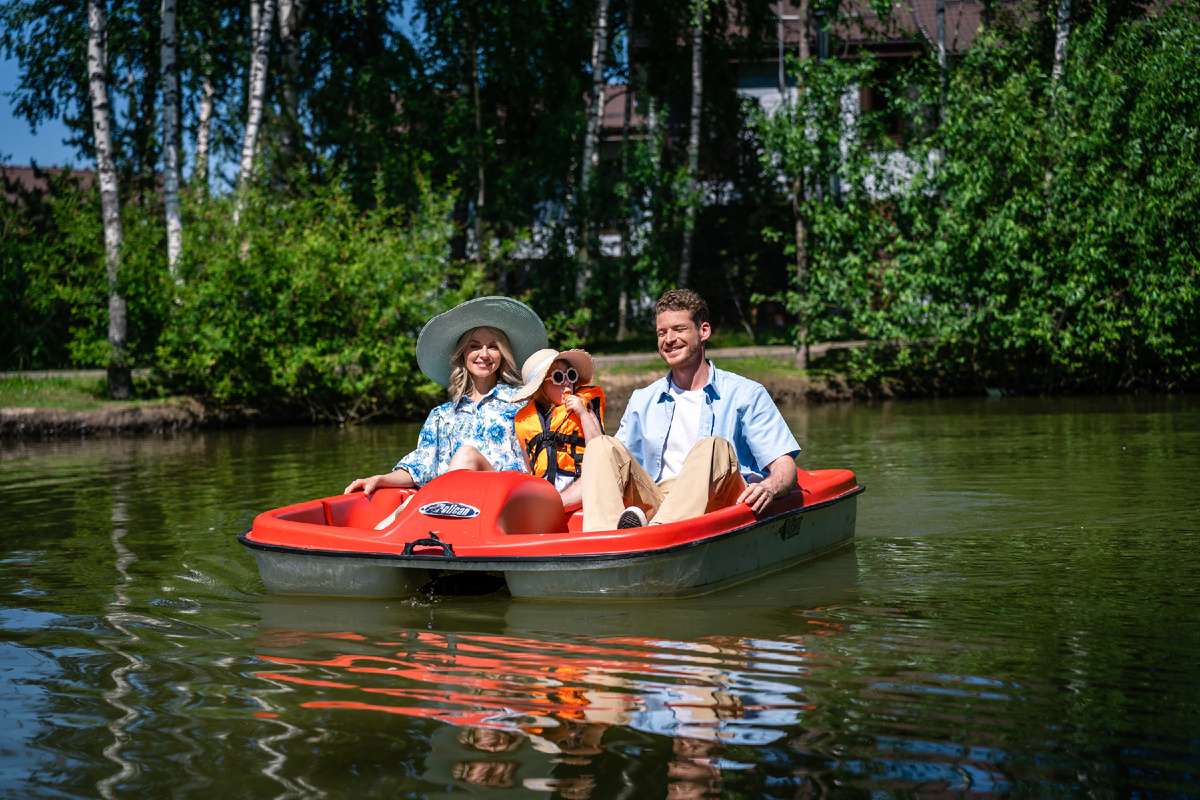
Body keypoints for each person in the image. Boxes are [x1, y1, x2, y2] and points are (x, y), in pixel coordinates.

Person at [580, 289, 799, 532]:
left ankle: (658, 537)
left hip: (720, 503)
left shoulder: (746, 394)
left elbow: (785, 467)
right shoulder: (642, 400)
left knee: (714, 446)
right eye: (662, 333)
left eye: (679, 329)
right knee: (600, 446)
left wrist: (769, 487)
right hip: (659, 500)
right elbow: (614, 469)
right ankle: (602, 544)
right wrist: (558, 499)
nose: (669, 339)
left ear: (704, 331)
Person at [344, 296, 547, 497]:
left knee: (466, 455)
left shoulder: (521, 403)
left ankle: (426, 512)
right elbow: (420, 467)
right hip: (456, 500)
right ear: (462, 354)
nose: (484, 354)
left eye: (493, 346)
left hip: (506, 499)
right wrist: (379, 479)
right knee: (395, 516)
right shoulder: (441, 416)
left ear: (502, 353)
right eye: (474, 346)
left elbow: (539, 461)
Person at [510, 348, 606, 512]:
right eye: (558, 377)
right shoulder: (525, 421)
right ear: (540, 387)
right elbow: (530, 464)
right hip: (546, 488)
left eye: (571, 375)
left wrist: (582, 414)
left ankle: (553, 507)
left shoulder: (585, 410)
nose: (566, 382)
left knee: (597, 474)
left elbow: (599, 448)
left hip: (580, 481)